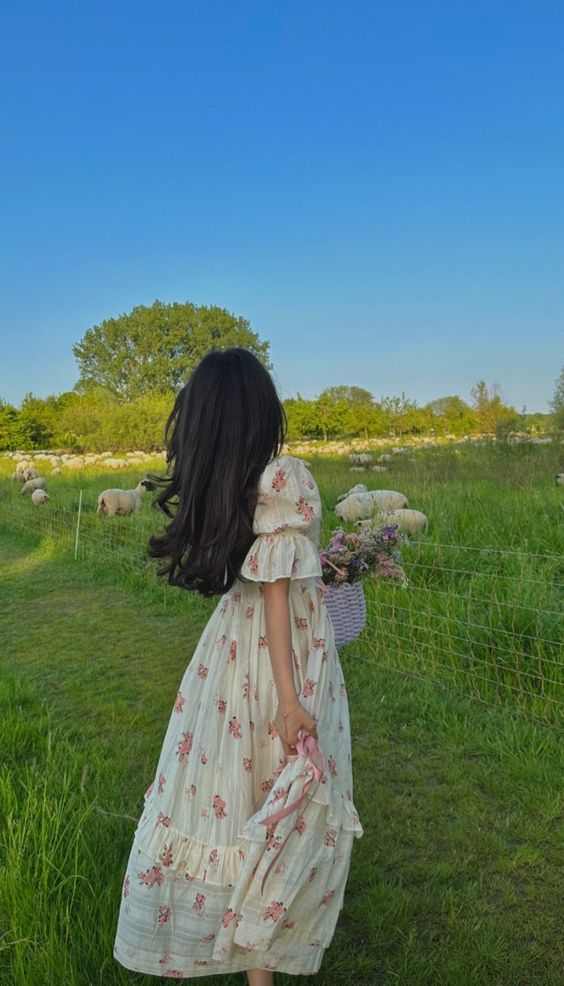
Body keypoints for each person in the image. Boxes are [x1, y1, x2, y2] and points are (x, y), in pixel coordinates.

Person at [113, 347, 363, 982]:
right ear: (261, 413)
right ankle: (262, 948)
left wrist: (324, 566)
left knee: (242, 790)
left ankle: (253, 952)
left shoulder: (238, 486)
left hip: (231, 659)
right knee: (286, 791)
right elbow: (277, 593)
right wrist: (289, 697)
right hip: (281, 663)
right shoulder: (281, 478)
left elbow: (276, 574)